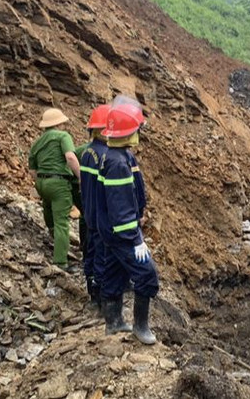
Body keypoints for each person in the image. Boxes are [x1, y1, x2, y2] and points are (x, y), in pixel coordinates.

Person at [96, 101, 158, 344]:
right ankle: (140, 327)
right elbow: (120, 209)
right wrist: (135, 240)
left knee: (114, 270)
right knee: (146, 273)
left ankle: (113, 323)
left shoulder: (116, 156)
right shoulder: (118, 163)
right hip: (122, 233)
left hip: (111, 232)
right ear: (129, 132)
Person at [28, 107, 81, 270]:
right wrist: (81, 178)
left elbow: (32, 171)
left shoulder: (37, 142)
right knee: (62, 222)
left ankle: (53, 236)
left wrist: (42, 184)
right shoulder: (63, 136)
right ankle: (60, 262)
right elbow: (71, 157)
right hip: (58, 182)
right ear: (60, 123)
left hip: (42, 182)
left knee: (49, 210)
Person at [77, 104, 111, 311]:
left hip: (89, 210)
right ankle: (102, 296)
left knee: (90, 249)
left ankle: (92, 287)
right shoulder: (105, 156)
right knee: (102, 252)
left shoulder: (88, 152)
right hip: (101, 213)